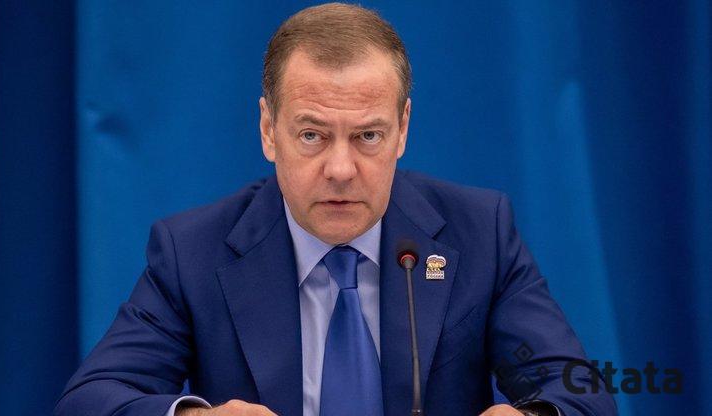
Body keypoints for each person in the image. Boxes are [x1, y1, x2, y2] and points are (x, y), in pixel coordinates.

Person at [55, 3, 617, 416]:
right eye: (312, 136)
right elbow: (89, 401)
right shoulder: (192, 253)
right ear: (268, 130)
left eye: (368, 136)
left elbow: (580, 392)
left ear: (402, 129)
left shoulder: (478, 234)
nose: (341, 169)